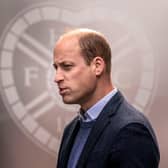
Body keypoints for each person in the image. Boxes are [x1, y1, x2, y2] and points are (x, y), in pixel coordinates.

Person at [53, 28, 160, 168]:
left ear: (97, 66)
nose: (57, 78)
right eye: (56, 68)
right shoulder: (71, 129)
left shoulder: (131, 130)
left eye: (67, 66)